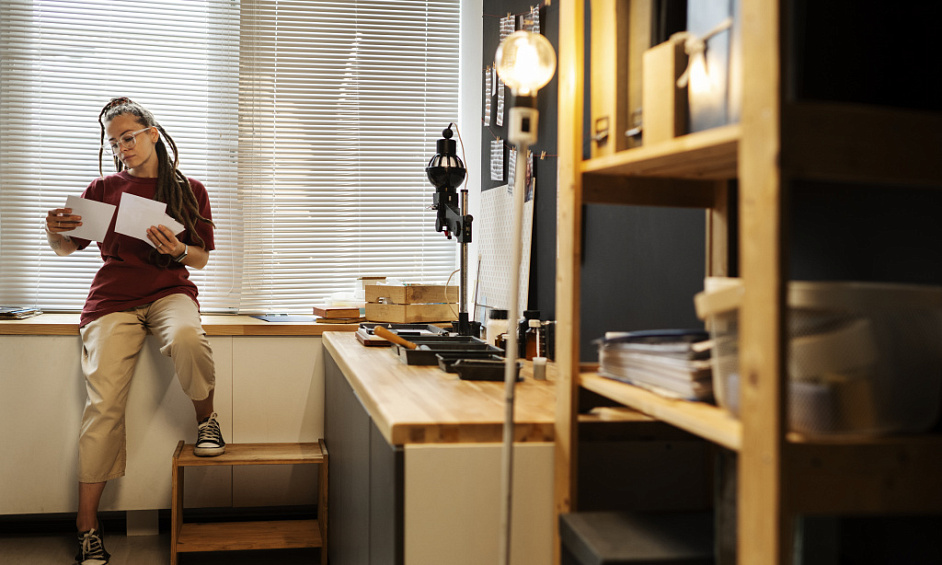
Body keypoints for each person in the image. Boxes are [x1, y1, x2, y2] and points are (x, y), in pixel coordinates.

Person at [44, 97, 225, 565]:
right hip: (113, 302)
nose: (123, 147)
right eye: (114, 141)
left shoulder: (190, 189)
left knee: (187, 337)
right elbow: (67, 249)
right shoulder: (104, 188)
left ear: (152, 131)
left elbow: (202, 257)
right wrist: (54, 233)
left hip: (168, 292)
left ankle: (207, 420)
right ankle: (87, 526)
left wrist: (180, 249)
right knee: (103, 402)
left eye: (129, 136)